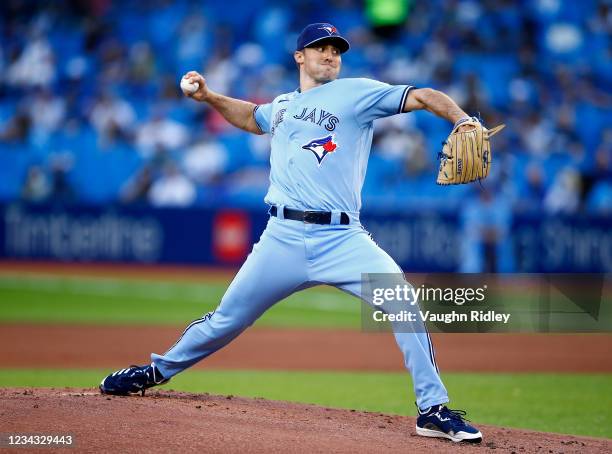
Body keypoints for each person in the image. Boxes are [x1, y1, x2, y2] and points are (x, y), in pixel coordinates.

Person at [99, 23, 483, 444]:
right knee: (226, 319)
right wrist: (209, 97)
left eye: (336, 49)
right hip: (281, 236)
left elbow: (424, 95)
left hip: (342, 238)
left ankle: (432, 409)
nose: (331, 55)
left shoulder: (358, 92)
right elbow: (251, 116)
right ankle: (155, 370)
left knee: (403, 301)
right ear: (300, 56)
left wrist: (461, 119)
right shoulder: (282, 106)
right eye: (321, 48)